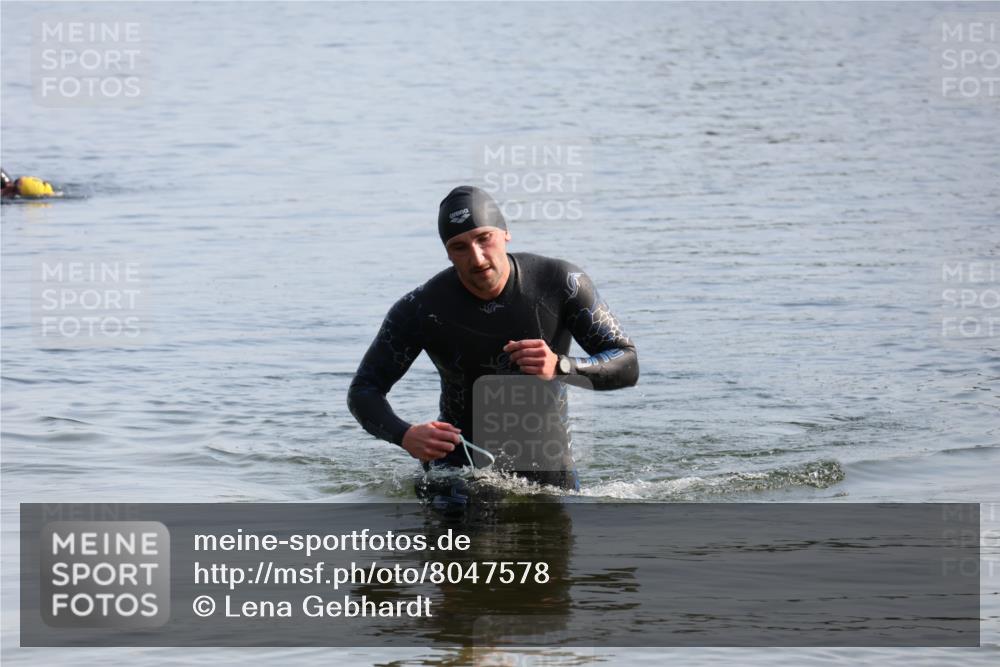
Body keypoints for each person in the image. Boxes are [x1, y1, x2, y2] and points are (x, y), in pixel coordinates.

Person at [347, 185, 638, 499]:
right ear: (447, 252)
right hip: (457, 472)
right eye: (460, 246)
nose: (477, 257)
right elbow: (364, 390)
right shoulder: (421, 308)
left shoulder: (561, 283)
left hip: (547, 469)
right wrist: (405, 435)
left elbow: (627, 362)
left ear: (505, 233)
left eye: (484, 238)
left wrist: (560, 365)